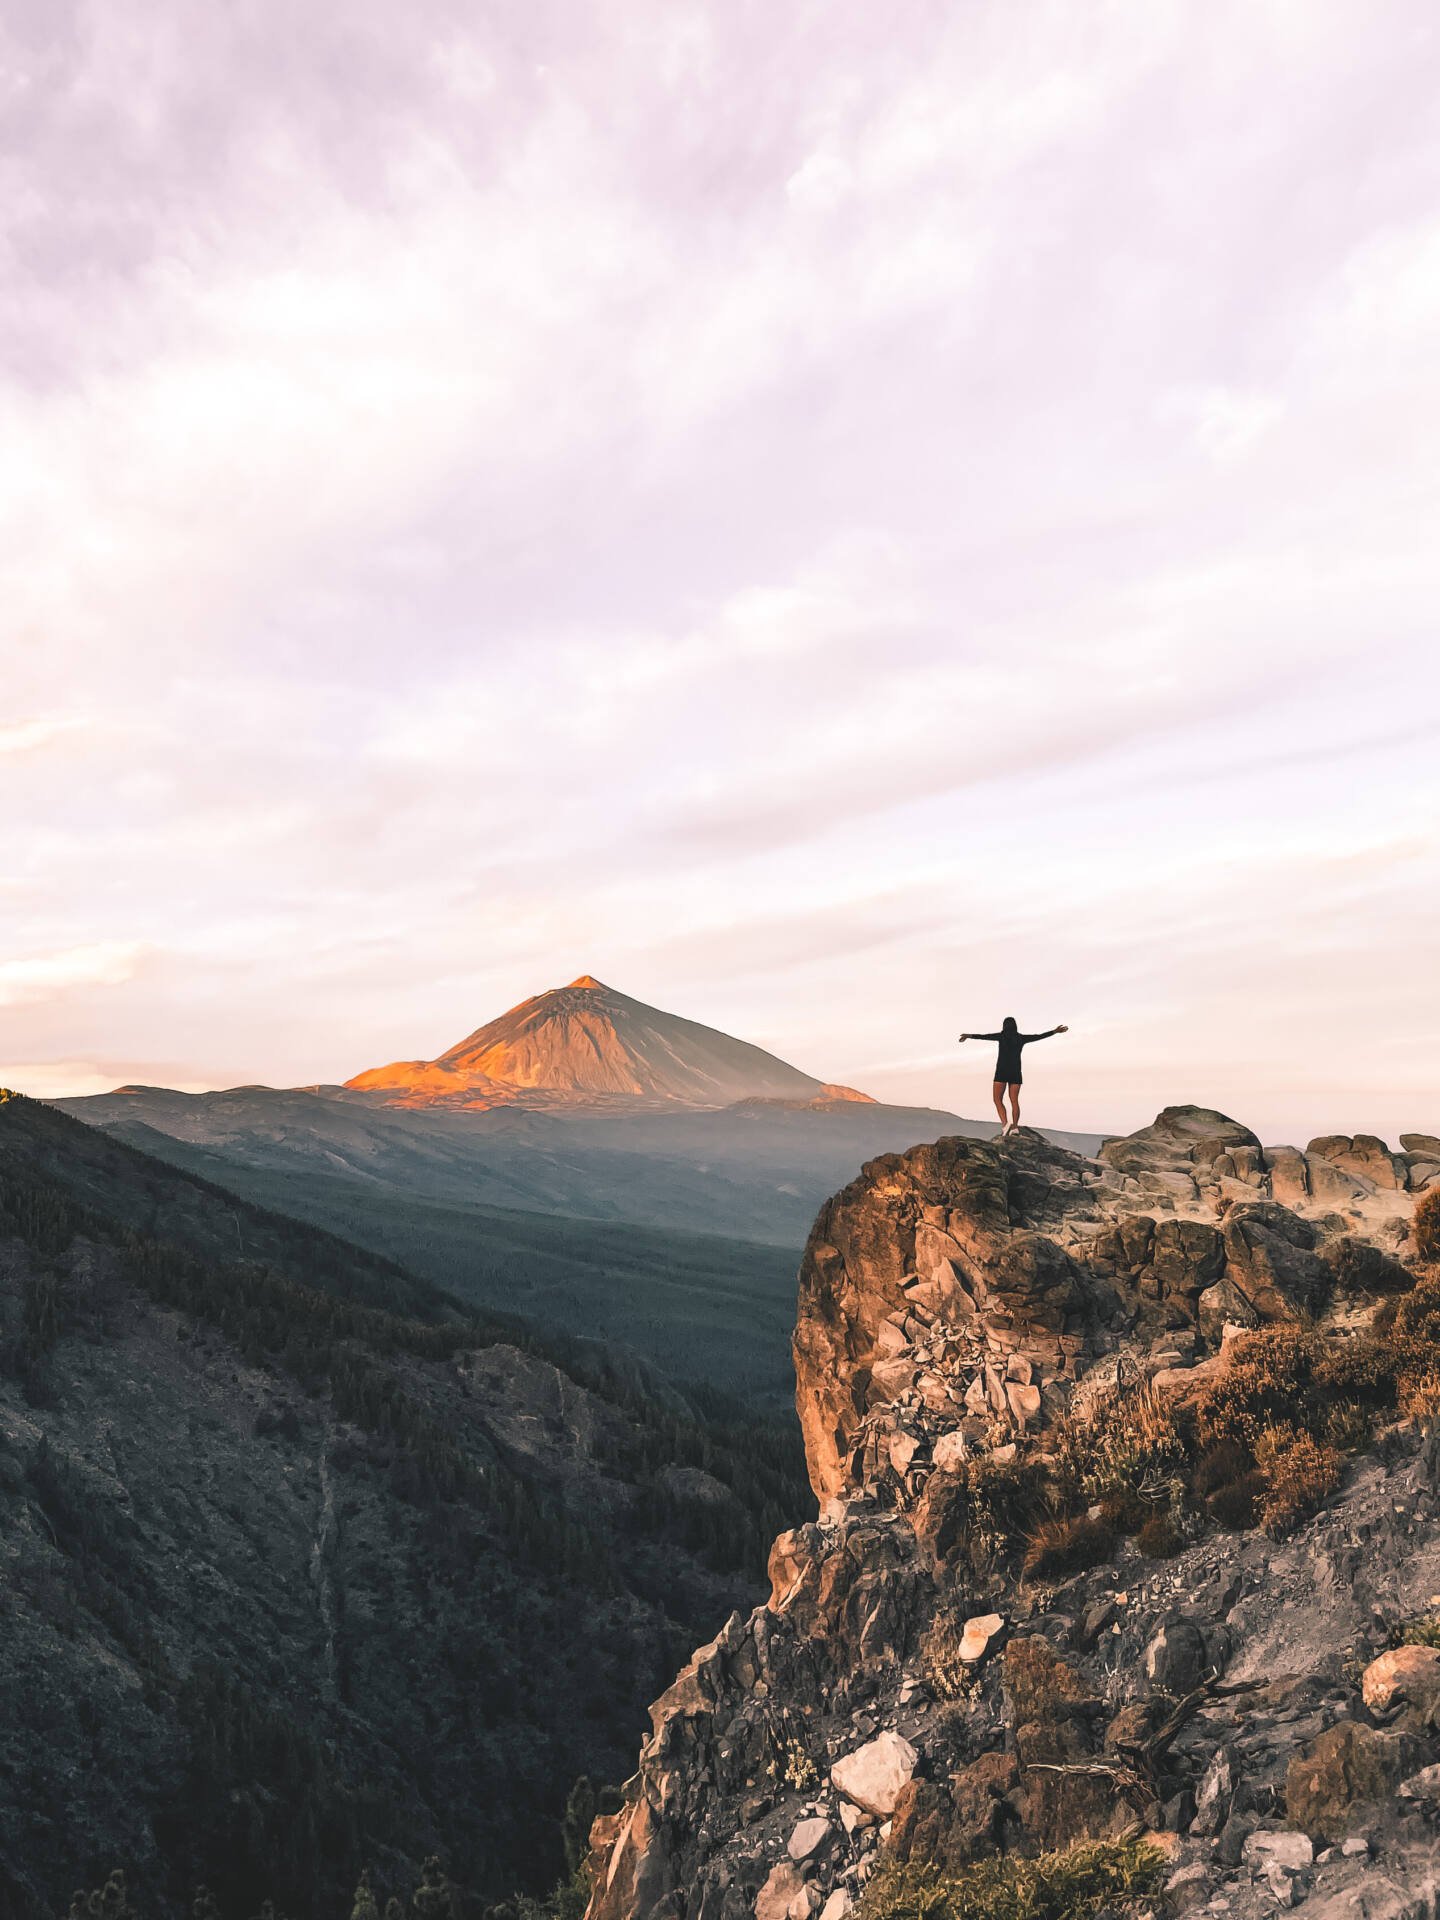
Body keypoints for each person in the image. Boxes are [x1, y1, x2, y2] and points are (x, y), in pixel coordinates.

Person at [958, 1016, 1069, 1136]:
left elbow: (984, 1036)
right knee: (1014, 1100)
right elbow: (1038, 1036)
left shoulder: (1001, 1036)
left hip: (1002, 1071)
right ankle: (1015, 1127)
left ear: (1004, 1026)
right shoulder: (1021, 1038)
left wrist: (968, 1036)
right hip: (1016, 1072)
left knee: (997, 1099)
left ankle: (1005, 1124)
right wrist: (1054, 1031)